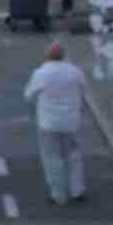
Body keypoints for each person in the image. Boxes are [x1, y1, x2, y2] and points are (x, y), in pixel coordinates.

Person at [24, 41, 87, 205]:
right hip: (71, 122)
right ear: (64, 54)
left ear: (47, 55)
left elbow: (28, 95)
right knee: (73, 156)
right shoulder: (74, 71)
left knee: (52, 158)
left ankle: (58, 194)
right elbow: (84, 88)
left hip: (48, 122)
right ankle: (77, 190)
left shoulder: (41, 73)